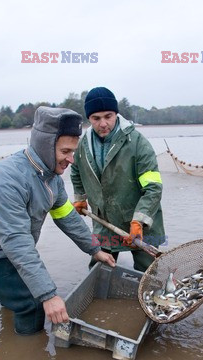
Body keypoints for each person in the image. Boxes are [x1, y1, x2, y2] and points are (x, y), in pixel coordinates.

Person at [0, 106, 115, 335]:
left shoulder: (51, 176)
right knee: (33, 305)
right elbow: (17, 242)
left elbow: (66, 215)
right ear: (45, 146)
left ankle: (10, 319)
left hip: (7, 247)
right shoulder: (4, 181)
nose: (72, 160)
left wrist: (94, 249)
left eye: (74, 151)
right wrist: (48, 296)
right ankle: (26, 356)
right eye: (66, 151)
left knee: (21, 294)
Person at [71, 87, 165, 272]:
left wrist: (139, 220)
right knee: (99, 270)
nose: (103, 123)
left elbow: (153, 187)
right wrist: (80, 197)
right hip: (103, 222)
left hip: (139, 224)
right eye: (96, 118)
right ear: (89, 119)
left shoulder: (138, 143)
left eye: (108, 116)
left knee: (147, 274)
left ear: (116, 114)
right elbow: (76, 171)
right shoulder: (82, 145)